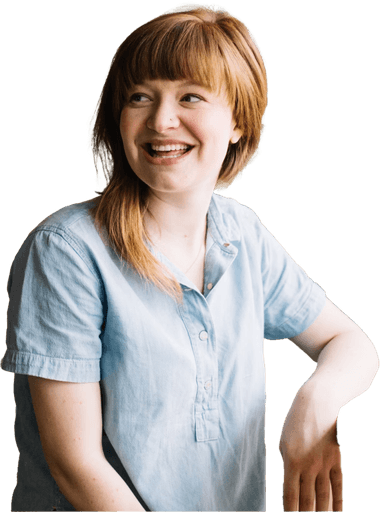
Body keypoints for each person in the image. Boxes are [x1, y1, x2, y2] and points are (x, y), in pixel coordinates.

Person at [1, 3, 378, 511]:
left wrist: (316, 401)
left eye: (190, 96)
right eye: (140, 97)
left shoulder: (241, 232)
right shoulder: (66, 250)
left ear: (239, 121)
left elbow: (349, 342)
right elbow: (77, 467)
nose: (161, 120)